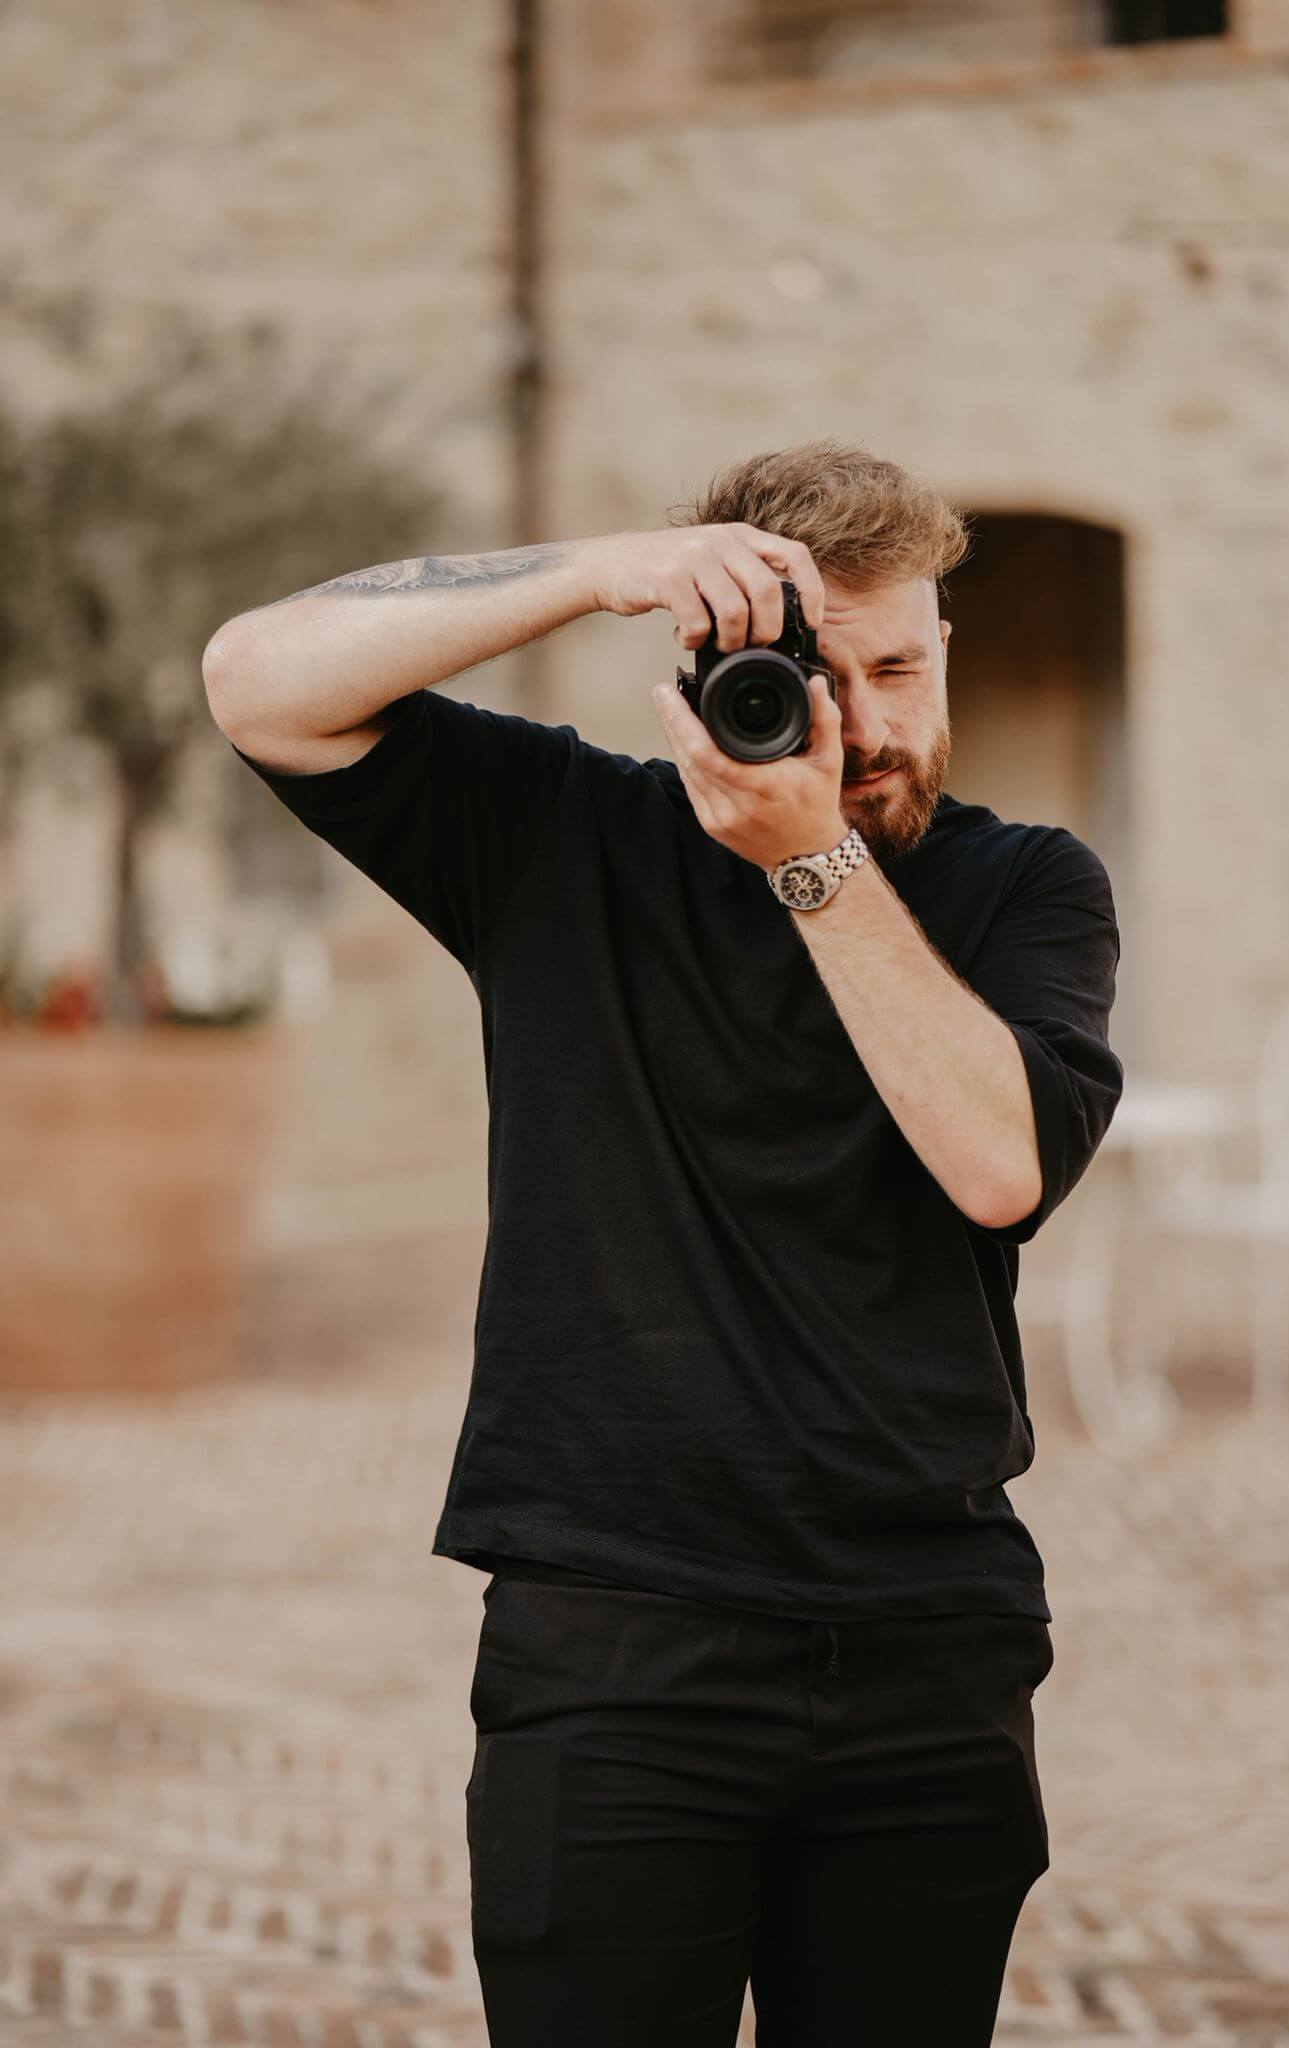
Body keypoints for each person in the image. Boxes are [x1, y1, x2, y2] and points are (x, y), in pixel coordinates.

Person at [204, 439, 1123, 2046]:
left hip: (926, 1645)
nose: (865, 724)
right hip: (615, 1651)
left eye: (900, 665)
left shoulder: (1026, 887)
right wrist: (590, 572)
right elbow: (255, 684)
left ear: (942, 648)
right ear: (707, 673)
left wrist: (811, 865)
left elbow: (997, 1166)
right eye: (812, 676)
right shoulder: (559, 832)